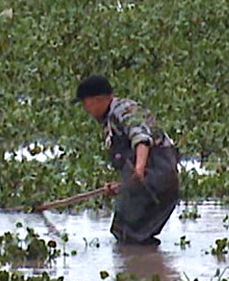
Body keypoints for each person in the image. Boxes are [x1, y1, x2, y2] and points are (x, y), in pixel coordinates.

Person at [73, 74, 181, 245]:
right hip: (153, 181)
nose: (86, 109)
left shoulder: (123, 110)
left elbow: (142, 139)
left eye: (86, 103)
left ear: (98, 100)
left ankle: (142, 269)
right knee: (127, 234)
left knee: (128, 235)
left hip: (156, 180)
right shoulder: (110, 121)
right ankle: (149, 268)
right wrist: (121, 185)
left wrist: (138, 172)